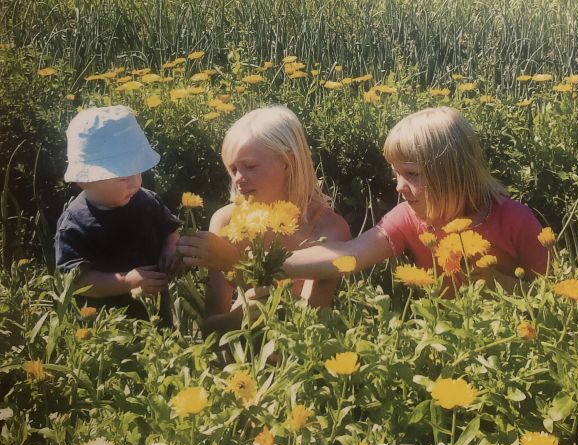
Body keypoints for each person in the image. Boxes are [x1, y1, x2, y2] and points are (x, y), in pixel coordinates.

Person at [178, 107, 548, 293]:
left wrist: (497, 282)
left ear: (452, 171)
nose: (399, 187)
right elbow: (347, 256)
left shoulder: (515, 220)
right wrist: (251, 263)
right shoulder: (407, 218)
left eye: (412, 174)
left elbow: (554, 294)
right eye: (396, 175)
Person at [183, 105, 351, 335]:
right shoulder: (226, 221)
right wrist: (237, 319)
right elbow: (210, 328)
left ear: (287, 163)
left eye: (250, 166)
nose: (238, 179)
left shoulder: (327, 230)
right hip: (240, 350)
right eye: (233, 169)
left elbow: (311, 326)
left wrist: (240, 268)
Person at [55, 105, 181, 321]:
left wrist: (170, 250)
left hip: (155, 313)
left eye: (137, 171)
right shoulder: (75, 225)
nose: (135, 183)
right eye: (122, 178)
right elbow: (76, 280)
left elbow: (170, 229)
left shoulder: (147, 201)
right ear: (84, 180)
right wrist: (125, 283)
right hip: (105, 324)